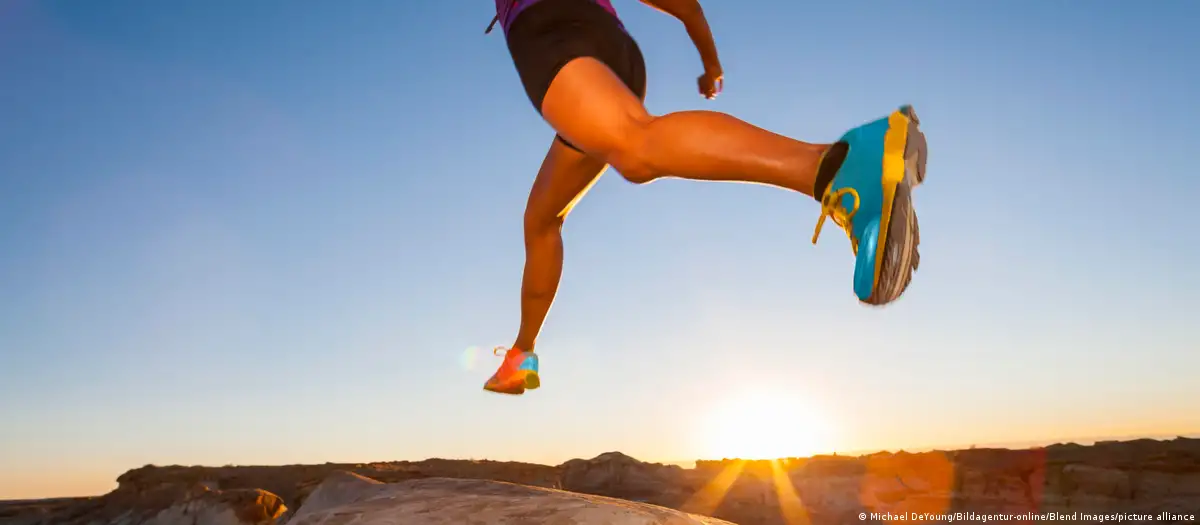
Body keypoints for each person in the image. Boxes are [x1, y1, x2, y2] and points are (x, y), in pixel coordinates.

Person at [482, 0, 929, 395]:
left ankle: (840, 166)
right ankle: (522, 354)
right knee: (541, 218)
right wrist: (711, 63)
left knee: (635, 148)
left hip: (554, 33)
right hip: (611, 54)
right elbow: (688, 6)